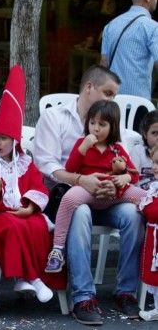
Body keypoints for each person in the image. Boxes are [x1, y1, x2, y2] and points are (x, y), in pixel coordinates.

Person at [33, 65, 144, 325]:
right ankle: (83, 297)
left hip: (109, 197)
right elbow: (46, 166)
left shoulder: (113, 123)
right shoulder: (54, 117)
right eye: (108, 93)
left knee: (133, 213)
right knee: (80, 211)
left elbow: (123, 164)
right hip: (69, 197)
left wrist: (115, 183)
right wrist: (82, 181)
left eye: (114, 96)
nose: (111, 100)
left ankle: (126, 291)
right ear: (89, 88)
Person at [0, 65, 64, 305]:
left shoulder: (26, 162)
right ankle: (31, 278)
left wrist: (29, 207)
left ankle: (26, 278)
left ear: (14, 140)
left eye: (3, 138)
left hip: (23, 211)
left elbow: (39, 186)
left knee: (38, 226)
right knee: (13, 226)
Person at [45, 100, 147, 273]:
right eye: (92, 123)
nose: (96, 128)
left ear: (113, 127)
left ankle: (153, 244)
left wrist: (125, 177)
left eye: (102, 124)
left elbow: (134, 174)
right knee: (69, 198)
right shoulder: (81, 144)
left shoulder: (117, 149)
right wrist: (84, 147)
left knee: (146, 197)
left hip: (115, 194)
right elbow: (70, 169)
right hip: (88, 191)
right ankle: (57, 249)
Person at [100, 0, 158, 129]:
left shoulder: (111, 25)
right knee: (137, 146)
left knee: (116, 147)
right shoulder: (153, 28)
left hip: (113, 104)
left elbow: (103, 64)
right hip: (139, 106)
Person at [138, 144, 158, 321]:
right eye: (154, 162)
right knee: (155, 277)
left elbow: (153, 211)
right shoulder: (154, 188)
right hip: (153, 238)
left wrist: (147, 207)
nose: (155, 167)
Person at [129, 110, 158, 189]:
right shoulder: (138, 151)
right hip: (142, 195)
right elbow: (132, 177)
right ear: (145, 134)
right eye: (155, 133)